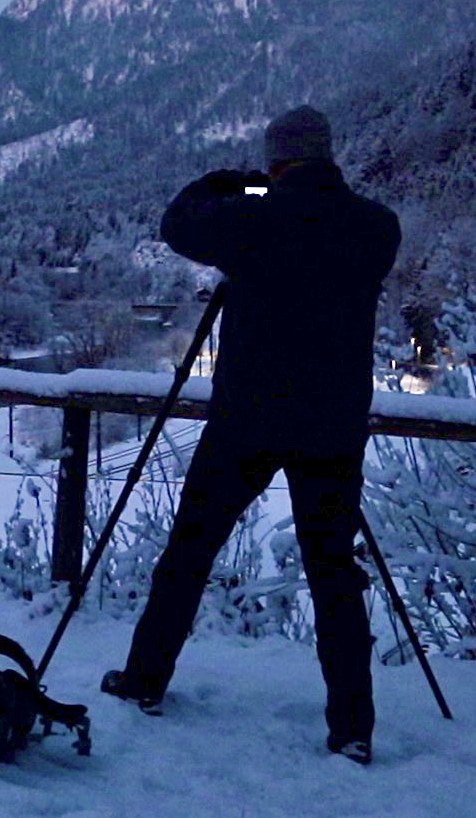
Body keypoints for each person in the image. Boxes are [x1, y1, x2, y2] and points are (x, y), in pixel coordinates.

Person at [101, 105, 400, 766]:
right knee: (333, 573)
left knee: (190, 552)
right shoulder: (377, 227)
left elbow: (176, 225)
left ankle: (145, 679)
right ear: (328, 155)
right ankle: (353, 728)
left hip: (248, 421)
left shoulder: (252, 219)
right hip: (333, 426)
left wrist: (221, 184)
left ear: (276, 160)